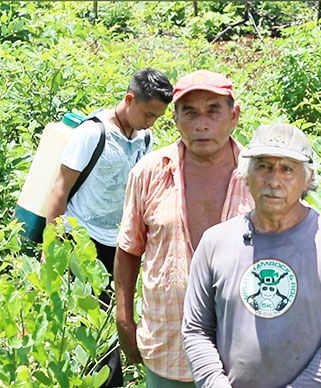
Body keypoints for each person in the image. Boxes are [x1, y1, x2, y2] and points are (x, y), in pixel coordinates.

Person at [182, 123, 321, 387]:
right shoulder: (216, 242)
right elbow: (196, 328)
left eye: (287, 169)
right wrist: (215, 383)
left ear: (307, 179)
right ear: (246, 175)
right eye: (263, 166)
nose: (273, 181)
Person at [114, 70, 254, 387]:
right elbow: (128, 248)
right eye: (189, 113)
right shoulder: (149, 173)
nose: (201, 124)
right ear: (175, 119)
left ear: (234, 116)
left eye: (213, 111)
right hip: (167, 347)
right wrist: (124, 320)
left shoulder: (259, 177)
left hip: (239, 354)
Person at [46, 68, 173, 387]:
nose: (150, 122)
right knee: (87, 317)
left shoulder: (144, 137)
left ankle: (100, 379)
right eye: (147, 113)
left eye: (157, 117)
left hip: (118, 242)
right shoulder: (93, 133)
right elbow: (60, 188)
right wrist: (53, 248)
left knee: (110, 316)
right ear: (129, 99)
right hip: (80, 239)